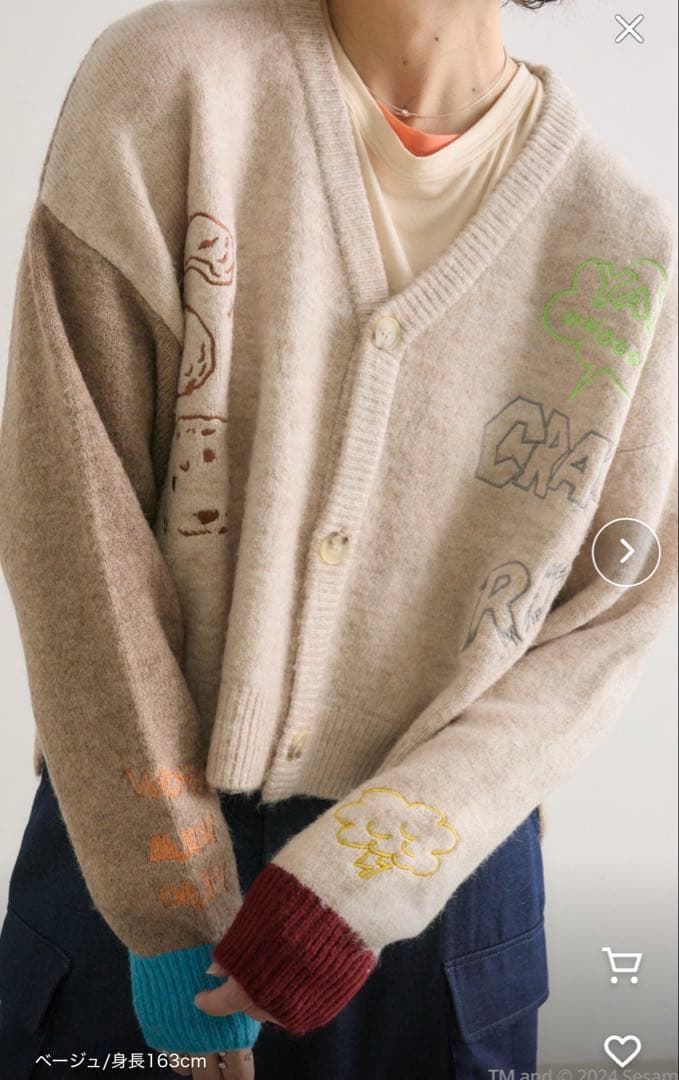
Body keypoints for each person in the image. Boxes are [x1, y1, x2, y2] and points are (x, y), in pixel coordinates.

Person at [0, 0, 676, 1077]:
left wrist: (358, 885)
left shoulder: (624, 245)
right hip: (131, 853)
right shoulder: (170, 88)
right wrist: (170, 902)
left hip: (436, 899)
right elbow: (70, 516)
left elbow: (608, 622)